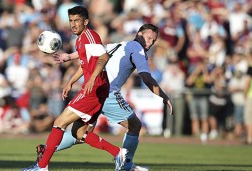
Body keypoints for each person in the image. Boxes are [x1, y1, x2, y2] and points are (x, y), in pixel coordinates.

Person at [50, 24, 173, 170]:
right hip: (108, 93)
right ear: (139, 34)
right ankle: (125, 165)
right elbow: (146, 77)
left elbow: (92, 55)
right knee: (134, 125)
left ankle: (46, 149)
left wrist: (69, 57)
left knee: (81, 132)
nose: (150, 43)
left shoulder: (118, 45)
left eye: (153, 41)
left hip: (93, 91)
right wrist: (164, 96)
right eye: (148, 38)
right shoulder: (137, 48)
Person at [22, 6, 128, 171]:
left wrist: (92, 78)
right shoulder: (80, 39)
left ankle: (41, 167)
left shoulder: (90, 36)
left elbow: (103, 56)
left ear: (85, 21)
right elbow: (85, 61)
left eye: (77, 20)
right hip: (97, 88)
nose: (73, 24)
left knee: (59, 123)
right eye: (71, 21)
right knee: (79, 133)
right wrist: (70, 81)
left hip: (94, 88)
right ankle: (118, 153)